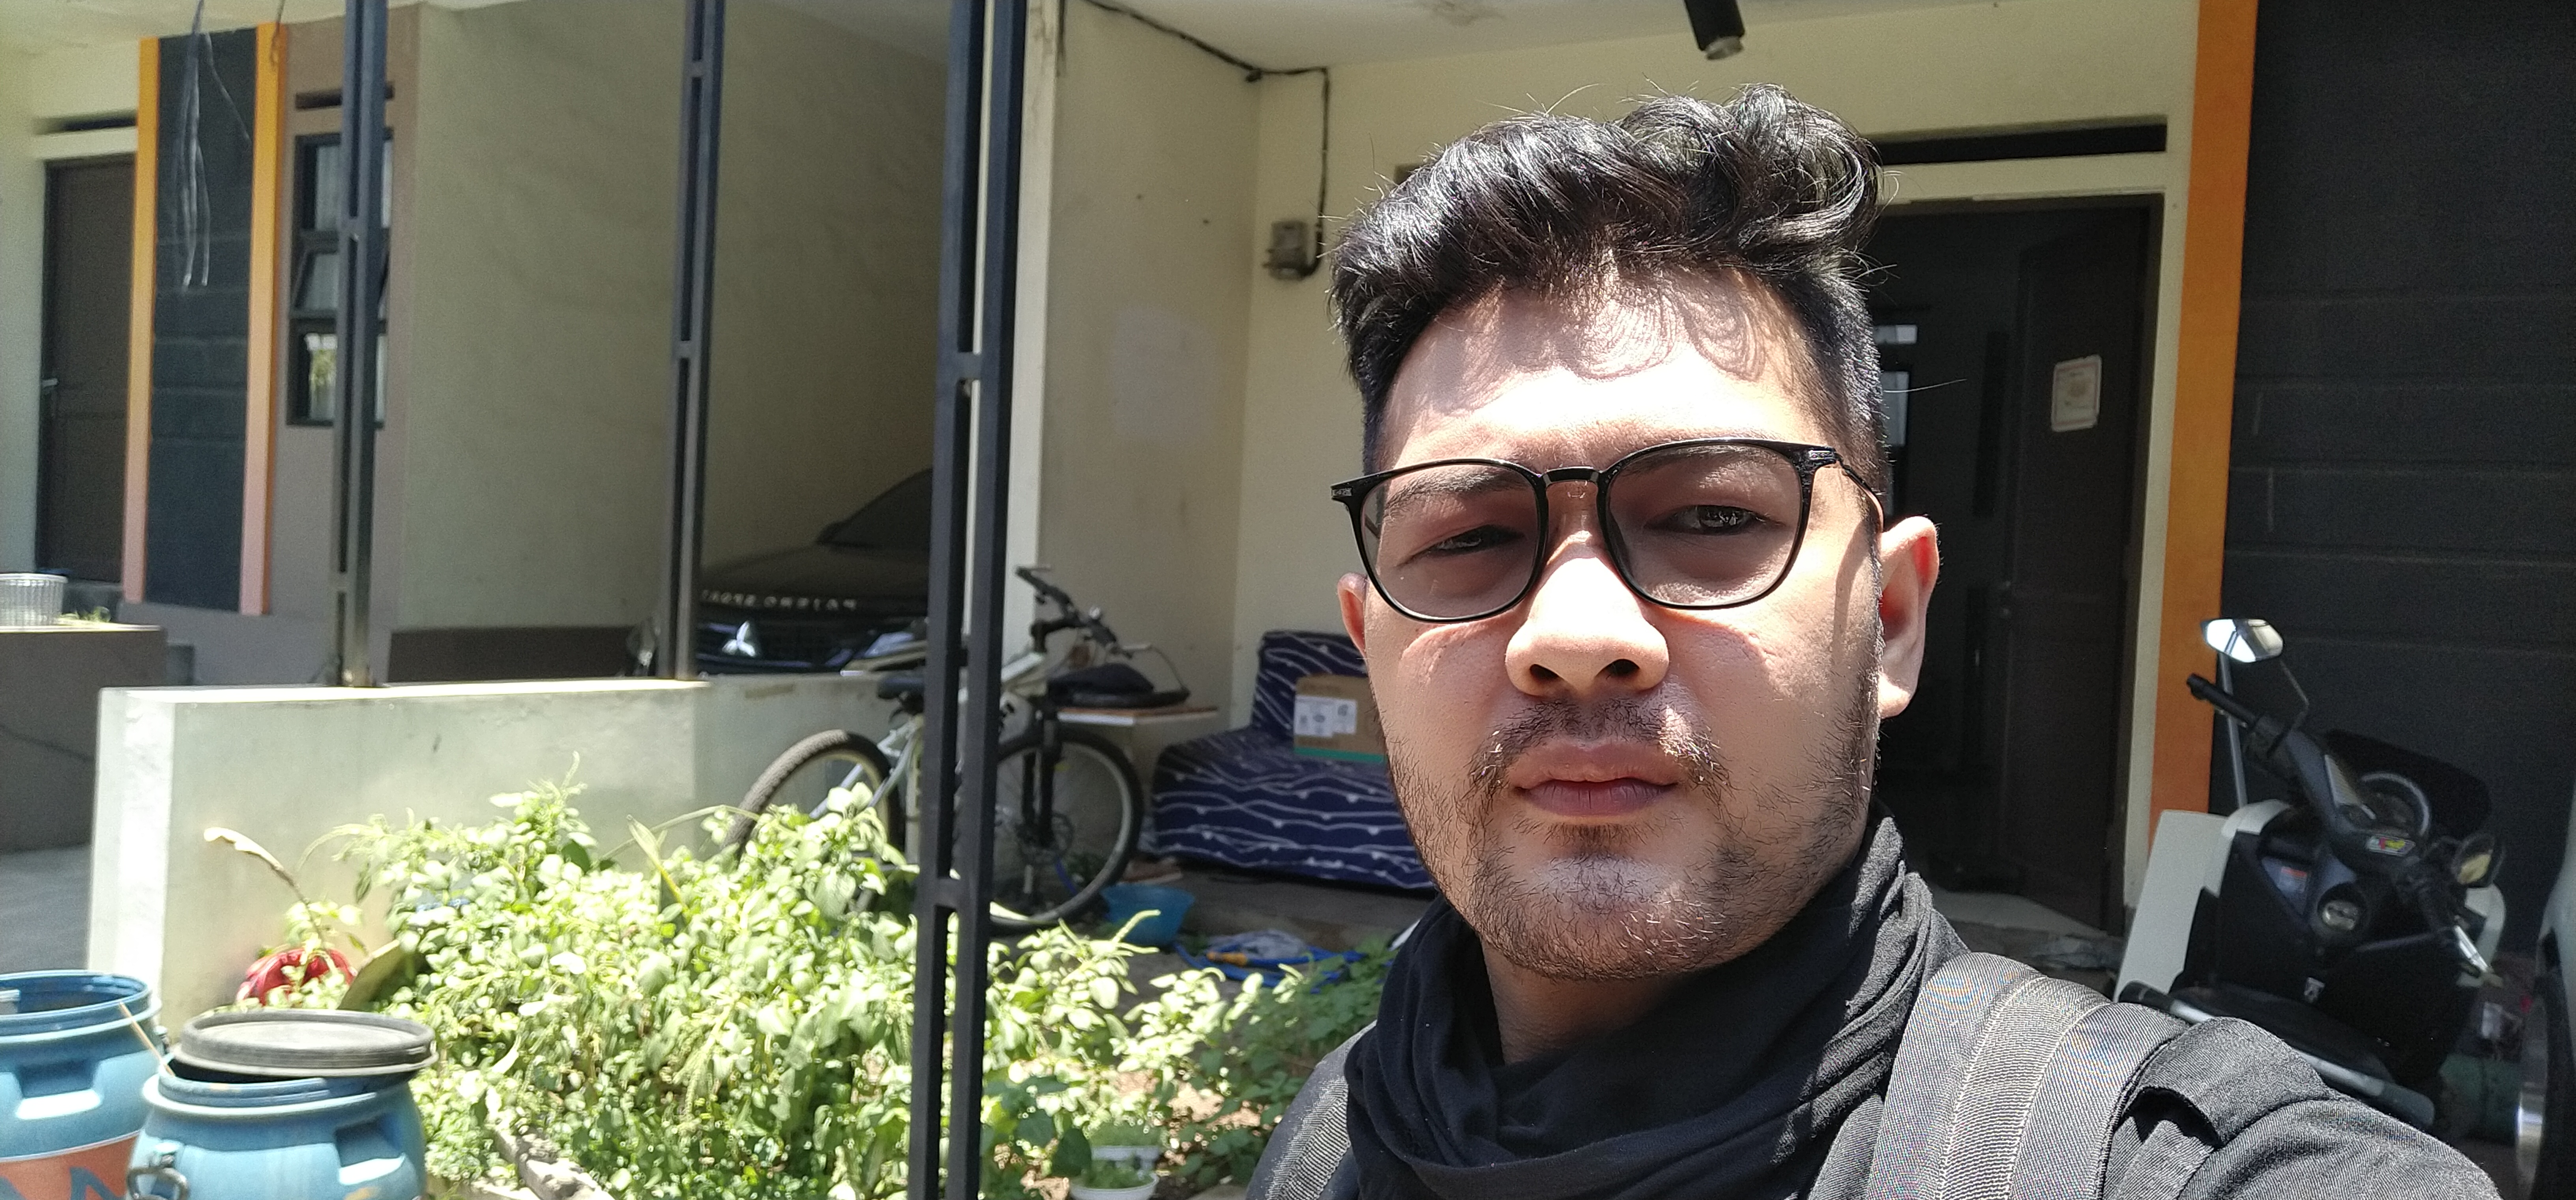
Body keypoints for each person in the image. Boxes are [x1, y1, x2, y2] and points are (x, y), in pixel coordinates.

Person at [1245, 86, 2497, 1200]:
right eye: (1469, 537)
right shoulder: (1335, 1133)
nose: (1576, 634)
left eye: (1713, 518)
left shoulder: (2164, 1164)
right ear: (1374, 647)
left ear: (1889, 620)